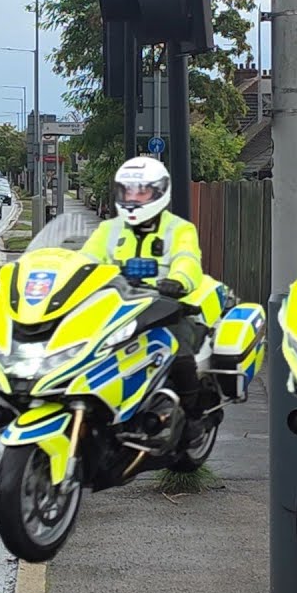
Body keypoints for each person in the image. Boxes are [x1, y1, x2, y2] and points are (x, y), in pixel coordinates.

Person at [78, 156, 210, 447]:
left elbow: (187, 260)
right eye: (128, 192)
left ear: (159, 193)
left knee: (179, 348)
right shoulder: (108, 231)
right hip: (118, 307)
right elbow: (84, 261)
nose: (133, 198)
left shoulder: (179, 229)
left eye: (142, 192)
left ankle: (193, 417)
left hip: (167, 306)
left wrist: (178, 281)